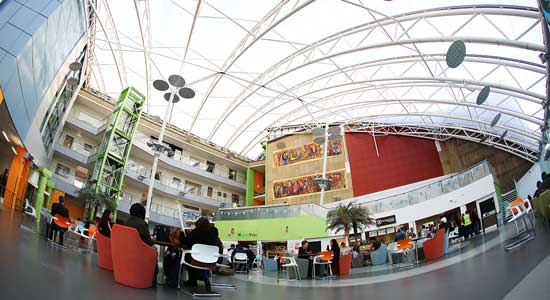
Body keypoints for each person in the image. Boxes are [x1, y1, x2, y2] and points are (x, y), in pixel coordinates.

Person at [180, 217, 223, 292]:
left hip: (197, 261)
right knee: (202, 258)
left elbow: (185, 242)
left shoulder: (195, 232)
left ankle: (192, 281)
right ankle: (203, 277)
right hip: (212, 261)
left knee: (188, 256)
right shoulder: (214, 231)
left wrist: (181, 233)